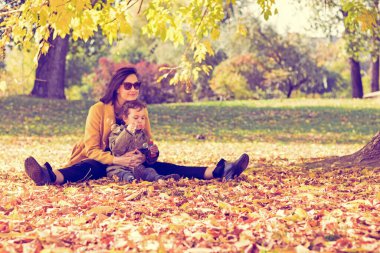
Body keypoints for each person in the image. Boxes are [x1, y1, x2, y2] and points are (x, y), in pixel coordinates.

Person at [24, 67, 250, 186]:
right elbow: (92, 149)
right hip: (103, 161)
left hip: (134, 164)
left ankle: (220, 170)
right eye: (128, 85)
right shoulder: (98, 110)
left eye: (137, 85)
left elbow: (149, 144)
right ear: (117, 87)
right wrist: (117, 160)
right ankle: (47, 176)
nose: (133, 88)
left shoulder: (140, 111)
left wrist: (149, 155)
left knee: (164, 166)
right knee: (86, 168)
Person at [107, 100, 180, 182]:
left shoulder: (144, 136)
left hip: (137, 168)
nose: (140, 120)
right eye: (135, 117)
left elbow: (148, 160)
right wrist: (128, 132)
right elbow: (117, 149)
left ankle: (160, 178)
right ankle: (130, 180)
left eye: (143, 118)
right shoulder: (117, 132)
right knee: (122, 174)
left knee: (149, 171)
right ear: (125, 118)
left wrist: (153, 153)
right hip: (118, 167)